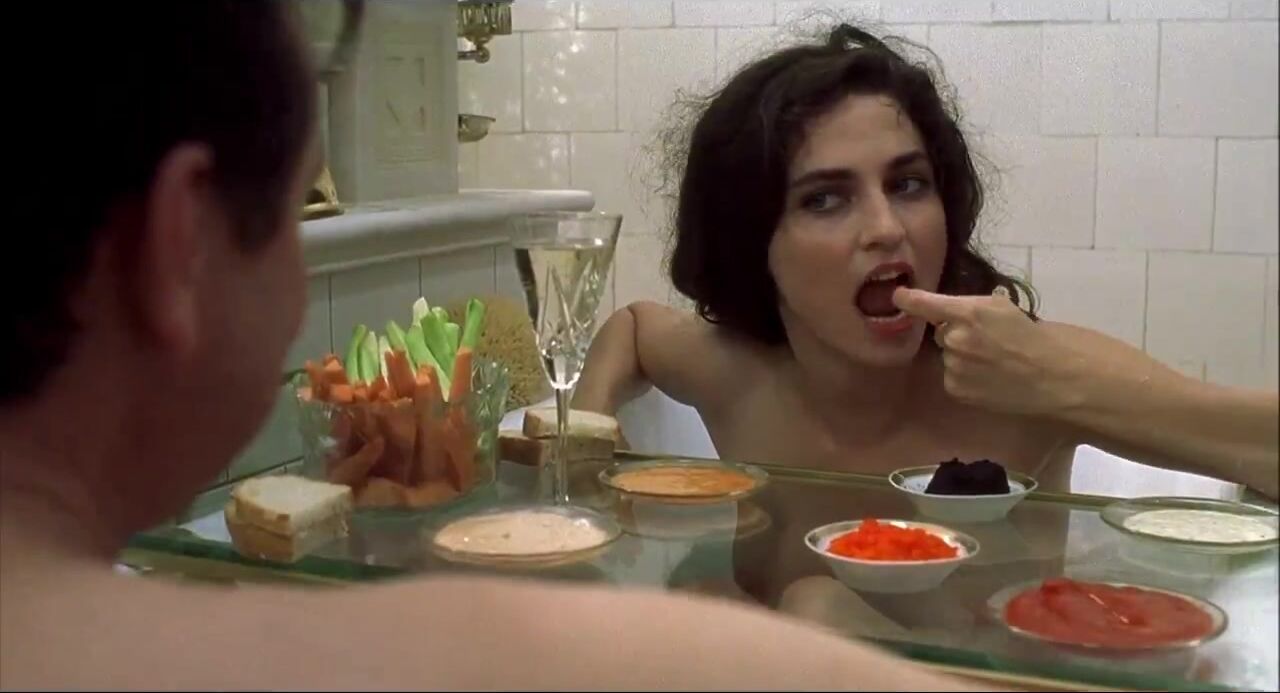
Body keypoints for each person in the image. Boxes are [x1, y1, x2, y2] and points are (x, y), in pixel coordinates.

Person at [1, 3, 990, 689]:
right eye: (300, 209)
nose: (884, 229)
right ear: (179, 250)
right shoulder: (508, 655)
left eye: (908, 185)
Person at [574, 24, 1279, 500]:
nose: (887, 228)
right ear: (750, 241)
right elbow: (634, 327)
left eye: (909, 184)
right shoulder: (738, 375)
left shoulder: (1026, 378)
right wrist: (587, 422)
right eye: (825, 199)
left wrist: (1062, 385)